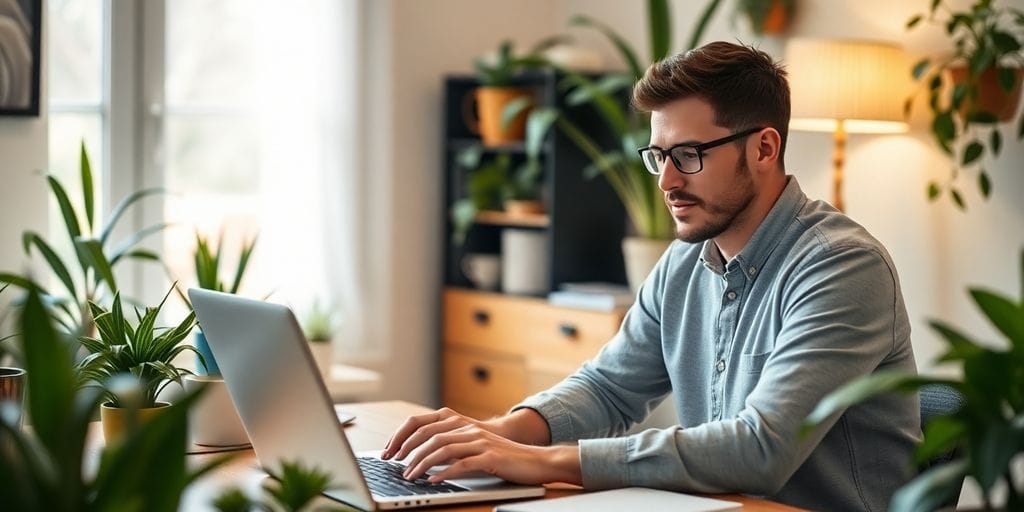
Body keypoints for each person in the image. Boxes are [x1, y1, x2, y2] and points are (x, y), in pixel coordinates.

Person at [382, 41, 920, 511]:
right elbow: (609, 389)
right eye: (658, 155)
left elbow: (761, 450)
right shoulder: (686, 259)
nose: (666, 181)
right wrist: (497, 434)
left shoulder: (842, 267)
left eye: (687, 155)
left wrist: (544, 462)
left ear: (763, 148)